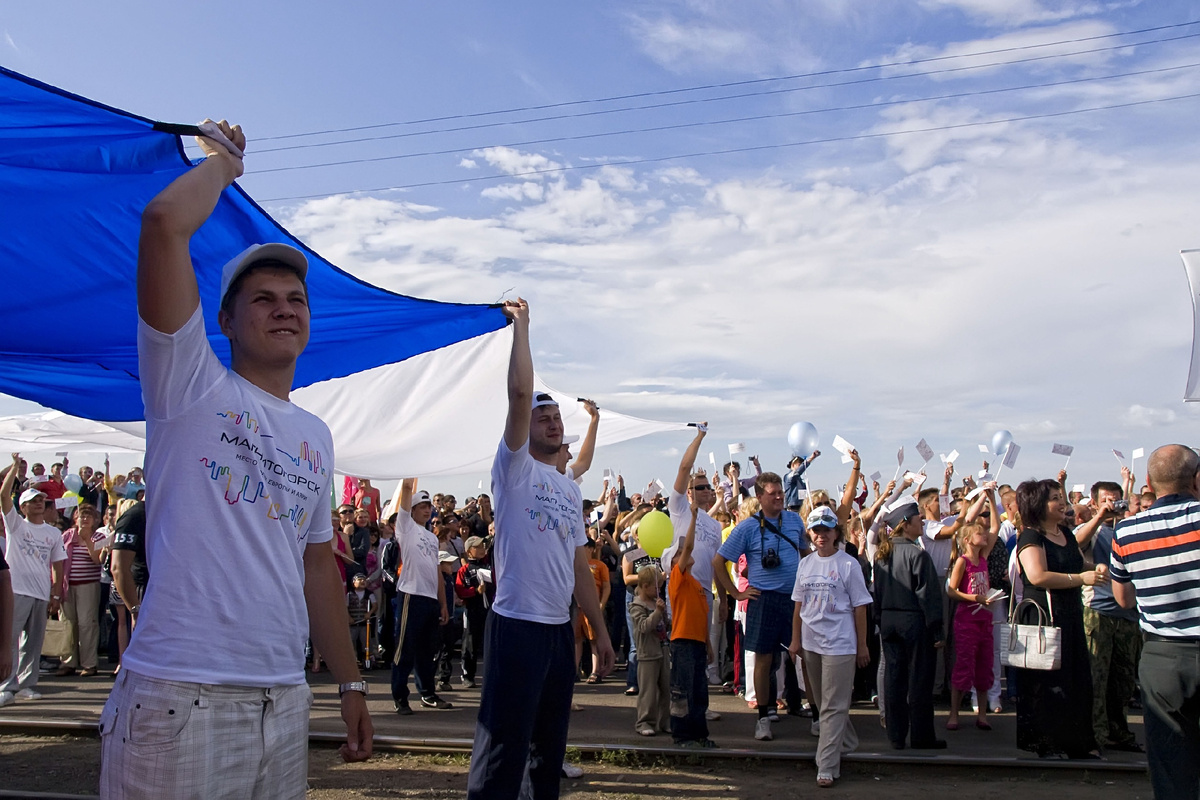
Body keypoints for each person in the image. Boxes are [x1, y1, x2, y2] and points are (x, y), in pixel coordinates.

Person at [99, 120, 371, 798]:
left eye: (296, 300)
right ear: (223, 321)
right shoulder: (187, 383)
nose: (285, 310)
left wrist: (352, 682)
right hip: (179, 697)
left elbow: (317, 568)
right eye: (264, 300)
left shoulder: (315, 434)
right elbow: (163, 222)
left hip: (282, 700)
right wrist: (223, 165)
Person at [465, 299, 613, 800]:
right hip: (516, 627)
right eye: (543, 417)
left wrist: (600, 632)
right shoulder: (513, 472)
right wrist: (522, 328)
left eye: (556, 418)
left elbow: (578, 566)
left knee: (548, 751)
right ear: (526, 427)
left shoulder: (568, 488)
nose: (552, 423)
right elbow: (520, 391)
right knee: (503, 751)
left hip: (556, 633)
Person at [1111, 444, 1200, 797]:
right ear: (1196, 479)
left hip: (1163, 657)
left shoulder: (1126, 532)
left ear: (1148, 482)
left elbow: (1123, 598)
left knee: (1170, 764)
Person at [713, 472, 807, 742]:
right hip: (762, 598)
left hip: (793, 598)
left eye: (780, 492)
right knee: (763, 660)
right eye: (773, 493)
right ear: (759, 497)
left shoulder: (794, 520)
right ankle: (763, 717)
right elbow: (719, 562)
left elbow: (804, 552)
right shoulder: (747, 527)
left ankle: (816, 714)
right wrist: (736, 593)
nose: (779, 497)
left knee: (805, 655)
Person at [1013, 478, 1101, 759]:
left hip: (1070, 613)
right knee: (1046, 682)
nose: (1061, 502)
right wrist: (1081, 578)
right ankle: (1046, 742)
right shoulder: (1031, 537)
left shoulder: (1065, 533)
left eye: (1060, 496)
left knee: (1075, 679)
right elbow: (1038, 576)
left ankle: (1077, 742)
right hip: (1044, 616)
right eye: (1054, 498)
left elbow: (1073, 564)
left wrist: (1094, 569)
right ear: (1038, 504)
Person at [788, 506, 872, 788]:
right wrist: (795, 639)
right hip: (811, 643)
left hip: (840, 642)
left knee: (834, 706)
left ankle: (826, 763)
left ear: (837, 532)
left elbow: (860, 607)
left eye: (826, 529)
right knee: (823, 703)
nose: (821, 535)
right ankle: (846, 741)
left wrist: (862, 646)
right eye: (816, 530)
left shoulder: (848, 564)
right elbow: (798, 604)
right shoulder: (805, 564)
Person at [872, 497, 946, 750]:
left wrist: (880, 620)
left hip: (889, 621)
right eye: (918, 519)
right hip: (914, 620)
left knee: (893, 679)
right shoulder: (918, 555)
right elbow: (929, 596)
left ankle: (896, 735)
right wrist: (937, 629)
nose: (922, 522)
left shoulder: (882, 554)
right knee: (919, 680)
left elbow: (877, 593)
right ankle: (922, 736)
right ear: (905, 524)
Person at [1076, 480, 1143, 754]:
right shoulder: (1091, 530)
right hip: (1098, 612)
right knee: (1097, 677)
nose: (1113, 504)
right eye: (1107, 499)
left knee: (1123, 680)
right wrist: (1100, 517)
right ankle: (1096, 734)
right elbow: (1074, 545)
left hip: (1127, 614)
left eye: (1117, 499)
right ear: (1094, 503)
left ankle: (1119, 731)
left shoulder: (1129, 529)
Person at [0, 461, 67, 707]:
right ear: (23, 506)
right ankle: (7, 685)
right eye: (34, 500)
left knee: (34, 641)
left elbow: (58, 565)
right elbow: (3, 496)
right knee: (10, 640)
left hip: (41, 592)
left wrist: (56, 594)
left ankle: (27, 685)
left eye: (42, 500)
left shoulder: (53, 533)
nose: (40, 503)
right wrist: (13, 469)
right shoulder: (16, 525)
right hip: (16, 590)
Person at [668, 425, 728, 690]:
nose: (705, 491)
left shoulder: (715, 525)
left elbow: (717, 564)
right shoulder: (679, 508)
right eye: (699, 487)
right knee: (682, 650)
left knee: (703, 652)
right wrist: (700, 437)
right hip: (682, 588)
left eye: (707, 488)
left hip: (705, 592)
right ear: (690, 492)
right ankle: (680, 705)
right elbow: (684, 469)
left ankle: (698, 707)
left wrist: (724, 598)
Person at [389, 481, 452, 714]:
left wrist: (443, 604)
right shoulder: (405, 527)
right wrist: (409, 472)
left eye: (429, 506)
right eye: (421, 506)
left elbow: (436, 571)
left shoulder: (432, 538)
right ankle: (400, 697)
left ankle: (427, 693)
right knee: (405, 650)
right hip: (411, 595)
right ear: (412, 510)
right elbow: (406, 490)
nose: (427, 510)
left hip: (430, 600)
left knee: (429, 651)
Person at [667, 495, 716, 747]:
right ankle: (682, 735)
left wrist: (708, 643)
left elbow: (703, 616)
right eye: (681, 553)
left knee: (699, 691)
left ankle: (700, 734)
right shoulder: (678, 578)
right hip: (683, 642)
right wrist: (694, 517)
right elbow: (687, 548)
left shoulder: (696, 584)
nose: (687, 552)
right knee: (683, 691)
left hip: (697, 642)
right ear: (674, 562)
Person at [944, 521, 999, 732]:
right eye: (978, 533)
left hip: (984, 619)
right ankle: (954, 713)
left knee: (985, 666)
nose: (983, 535)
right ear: (967, 540)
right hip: (967, 620)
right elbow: (951, 591)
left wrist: (991, 499)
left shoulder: (983, 558)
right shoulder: (962, 562)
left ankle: (983, 714)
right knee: (963, 665)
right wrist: (974, 597)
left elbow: (995, 528)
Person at [56, 503, 106, 677]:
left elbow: (97, 560)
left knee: (87, 624)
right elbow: (58, 561)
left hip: (88, 586)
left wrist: (87, 540)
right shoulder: (66, 536)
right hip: (67, 586)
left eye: (88, 516)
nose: (84, 519)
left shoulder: (98, 536)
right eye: (81, 516)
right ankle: (67, 662)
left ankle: (89, 664)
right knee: (67, 624)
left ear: (94, 520)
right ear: (75, 518)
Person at [628, 566, 669, 736]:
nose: (658, 590)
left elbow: (664, 625)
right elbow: (644, 626)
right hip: (647, 653)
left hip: (663, 650)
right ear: (644, 586)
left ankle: (664, 721)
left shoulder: (655, 603)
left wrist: (664, 615)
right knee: (648, 690)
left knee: (666, 688)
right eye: (655, 587)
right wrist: (657, 613)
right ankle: (644, 721)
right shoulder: (636, 606)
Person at [578, 538, 611, 683]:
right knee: (576, 640)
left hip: (592, 607)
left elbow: (606, 587)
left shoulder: (600, 565)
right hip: (577, 608)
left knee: (594, 640)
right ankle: (574, 670)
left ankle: (595, 671)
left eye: (585, 547)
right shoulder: (575, 565)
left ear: (591, 549)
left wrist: (601, 604)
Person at [347, 573, 374, 666]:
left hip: (363, 623)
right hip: (353, 623)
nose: (362, 581)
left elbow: (375, 605)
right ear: (353, 582)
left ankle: (368, 658)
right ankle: (351, 659)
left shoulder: (369, 594)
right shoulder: (349, 594)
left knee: (366, 642)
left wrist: (369, 613)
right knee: (350, 641)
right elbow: (345, 607)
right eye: (359, 579)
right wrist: (349, 617)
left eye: (364, 579)